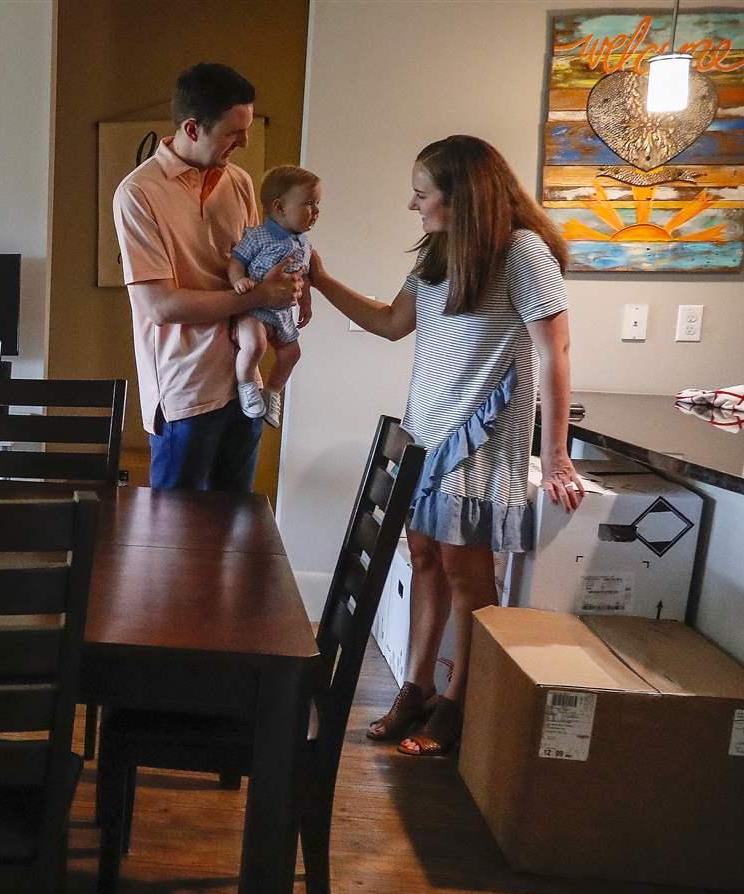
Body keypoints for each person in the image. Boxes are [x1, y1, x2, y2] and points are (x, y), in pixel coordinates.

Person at [308, 134, 585, 756]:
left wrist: (559, 453)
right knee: (425, 558)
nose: (413, 204)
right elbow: (389, 322)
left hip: (482, 435)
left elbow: (555, 351)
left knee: (466, 568)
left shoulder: (521, 251)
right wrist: (322, 282)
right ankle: (416, 688)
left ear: (463, 198)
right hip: (426, 431)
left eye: (422, 192)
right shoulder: (436, 256)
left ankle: (460, 700)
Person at [113, 62, 304, 491]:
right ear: (193, 129)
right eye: (234, 131)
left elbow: (257, 264)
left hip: (244, 385)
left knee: (232, 537)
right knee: (174, 542)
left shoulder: (238, 181)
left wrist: (292, 282)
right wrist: (259, 298)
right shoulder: (138, 193)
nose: (245, 140)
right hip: (187, 392)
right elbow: (160, 307)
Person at [228, 165, 319, 426]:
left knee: (292, 353)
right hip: (254, 309)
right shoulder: (258, 236)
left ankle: (272, 391)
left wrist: (306, 302)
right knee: (254, 345)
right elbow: (236, 261)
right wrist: (240, 281)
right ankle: (246, 384)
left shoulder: (304, 244)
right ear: (279, 208)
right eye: (309, 204)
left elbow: (305, 276)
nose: (316, 212)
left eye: (317, 204)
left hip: (281, 313)